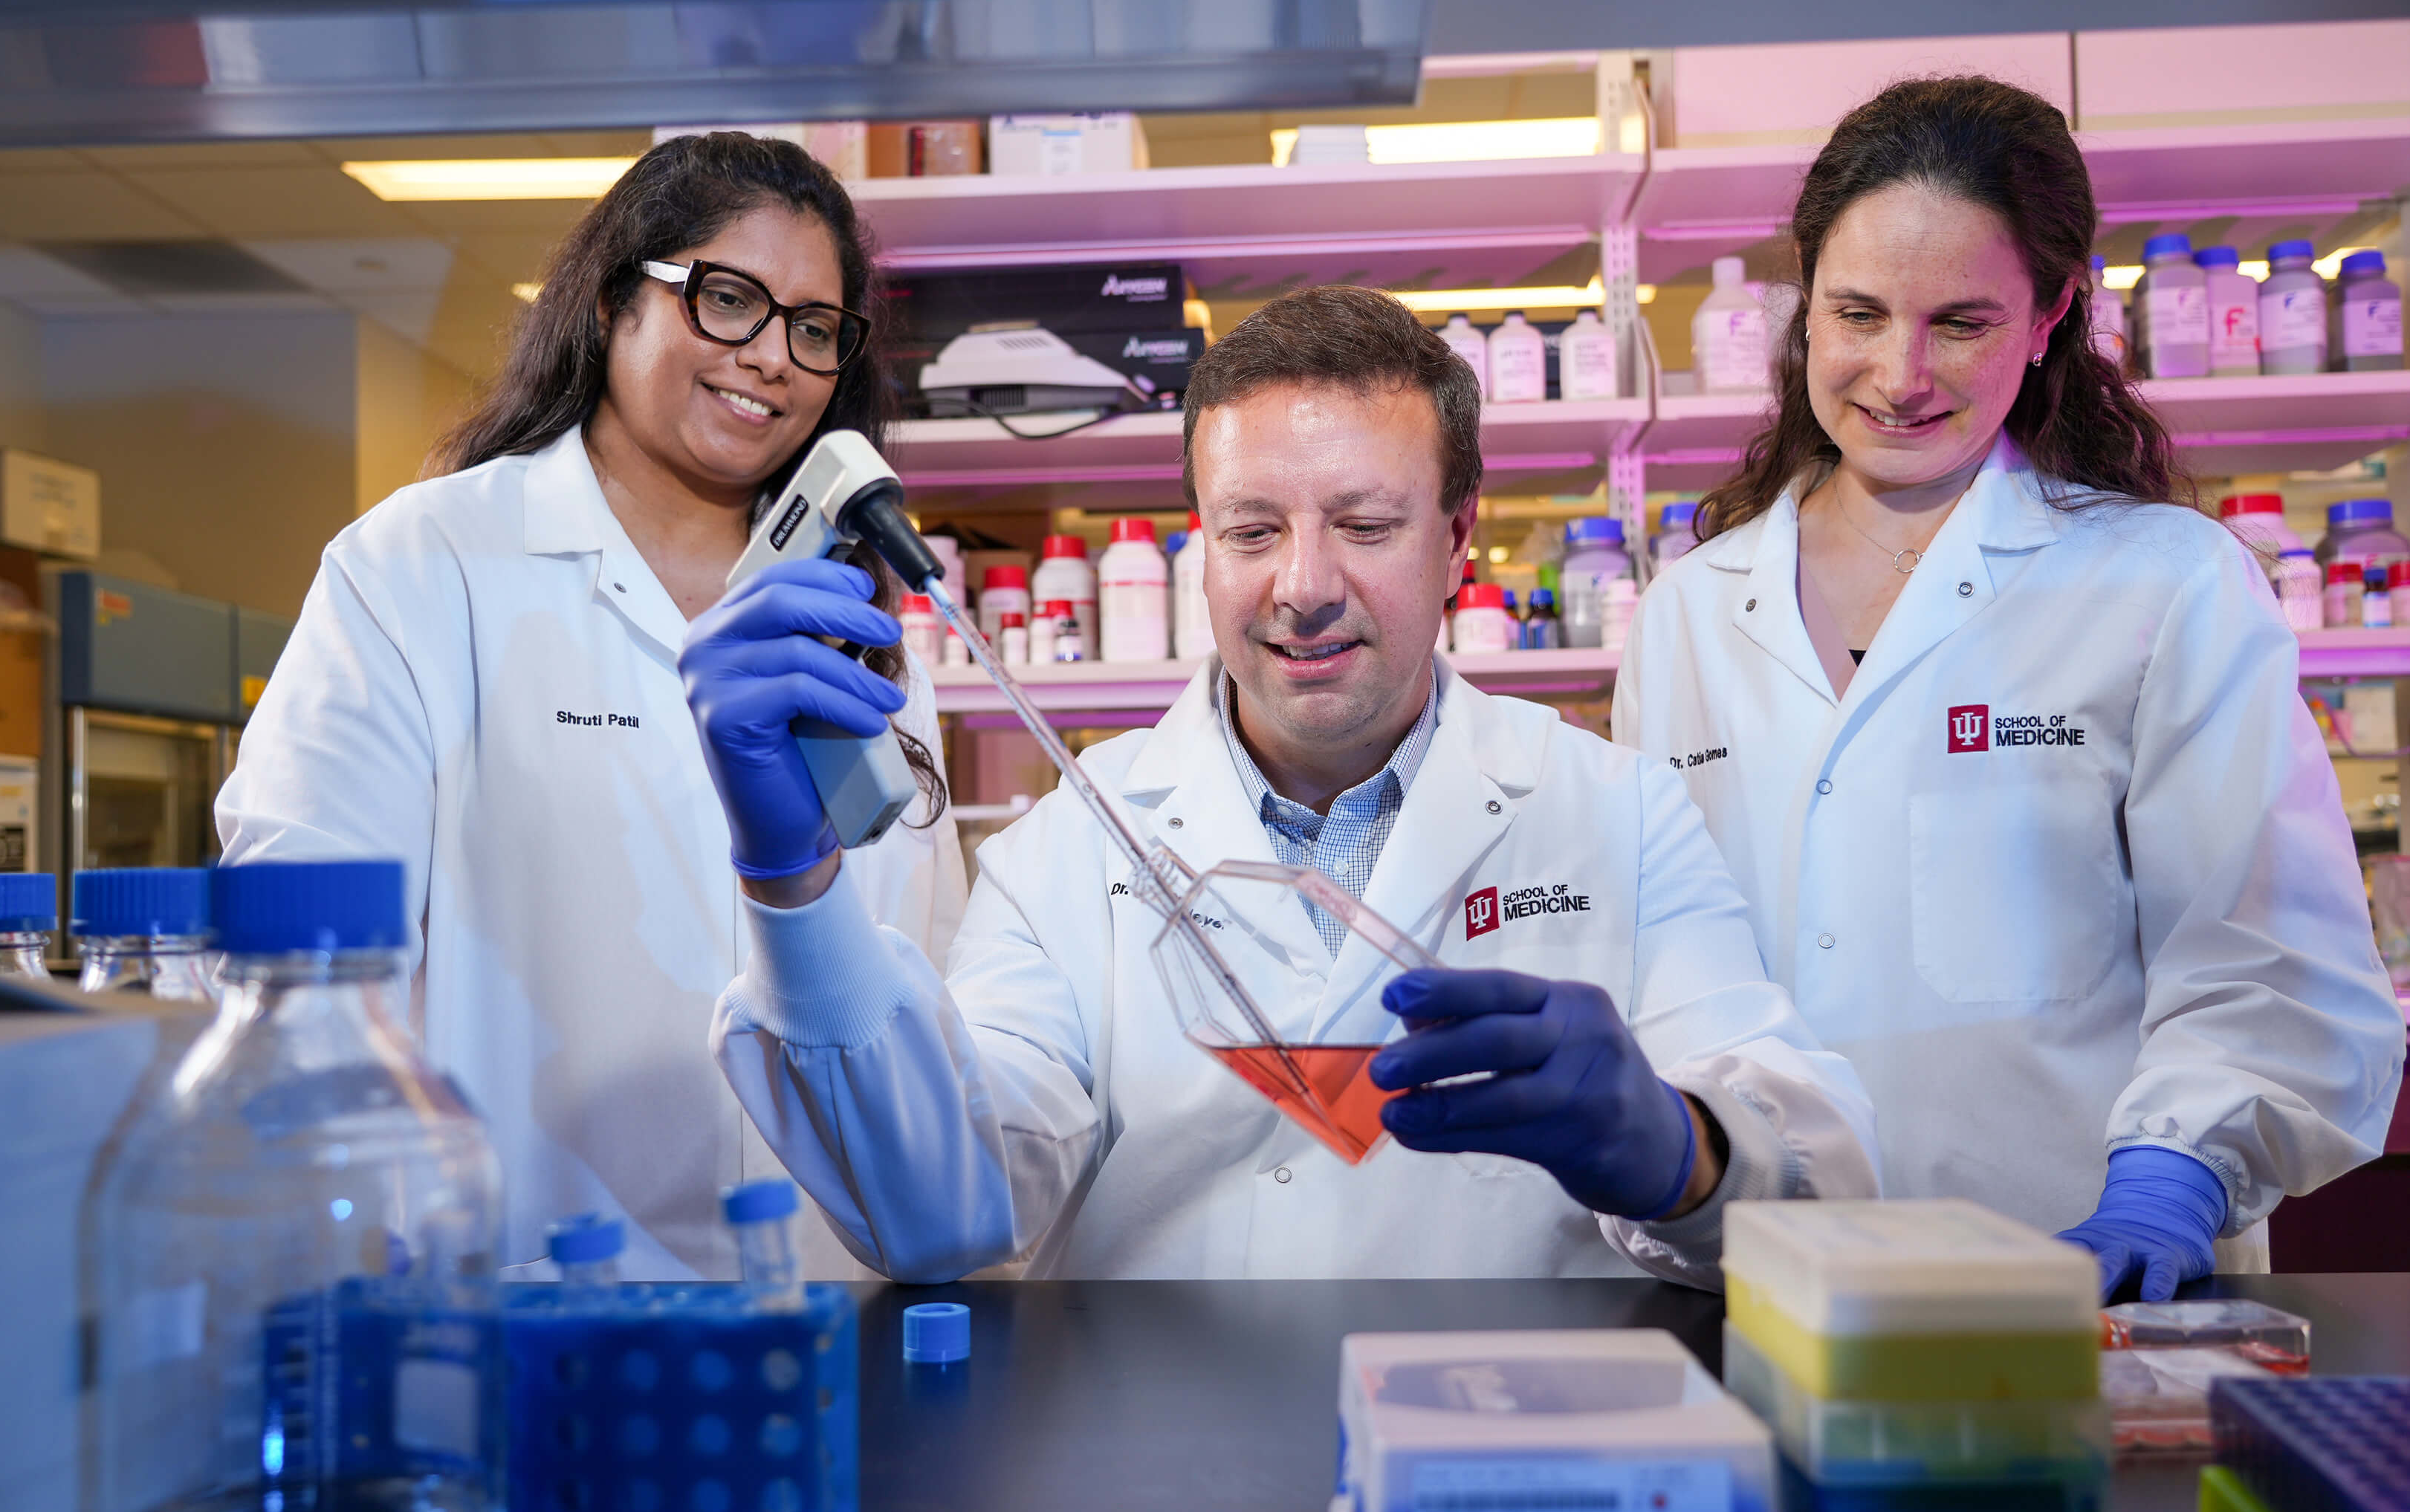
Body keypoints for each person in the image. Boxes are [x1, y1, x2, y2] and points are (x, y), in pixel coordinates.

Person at [687, 285, 1879, 1285]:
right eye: (1252, 531)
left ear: (1458, 540)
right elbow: (937, 1210)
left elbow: (1820, 1188)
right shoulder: (1068, 850)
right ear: (1200, 547)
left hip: (1506, 1474)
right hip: (1162, 1503)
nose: (1303, 585)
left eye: (1364, 524)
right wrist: (792, 881)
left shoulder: (1615, 812)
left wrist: (1680, 1150)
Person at [1613, 77, 2403, 1302]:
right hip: (1761, 1286)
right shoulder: (1687, 618)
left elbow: (2267, 961)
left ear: (2052, 319)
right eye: (1859, 313)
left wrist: (2176, 1176)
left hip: (2079, 1297)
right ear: (1803, 308)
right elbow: (1664, 969)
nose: (1901, 372)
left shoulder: (2166, 586)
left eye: (1964, 323)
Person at [218, 134, 965, 1279]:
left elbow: (926, 997)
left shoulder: (854, 617)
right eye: (728, 300)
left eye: (813, 328)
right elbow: (300, 959)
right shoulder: (427, 567)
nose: (772, 358)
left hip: (821, 1314)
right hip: (525, 1319)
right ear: (616, 302)